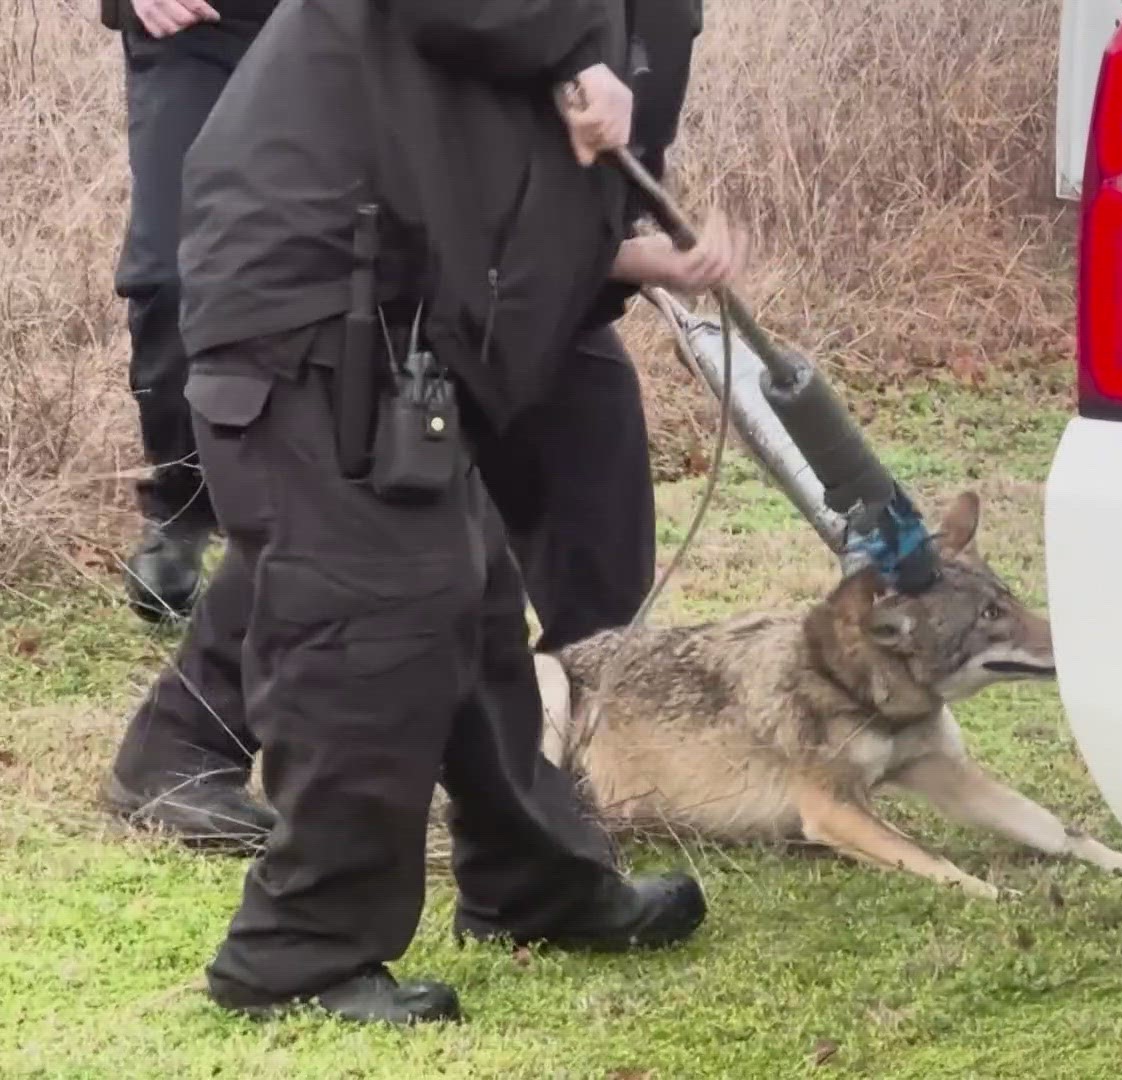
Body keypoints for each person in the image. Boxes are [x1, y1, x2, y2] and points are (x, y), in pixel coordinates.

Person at [113, 0, 745, 1024]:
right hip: (313, 294)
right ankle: (297, 953)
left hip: (394, 308)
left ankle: (535, 884)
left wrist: (639, 256)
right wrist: (583, 55)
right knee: (369, 624)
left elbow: (502, 172)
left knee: (468, 602)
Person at [103, 0, 282, 622]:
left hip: (357, 28)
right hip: (196, 27)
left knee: (354, 265)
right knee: (174, 275)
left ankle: (333, 514)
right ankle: (181, 506)